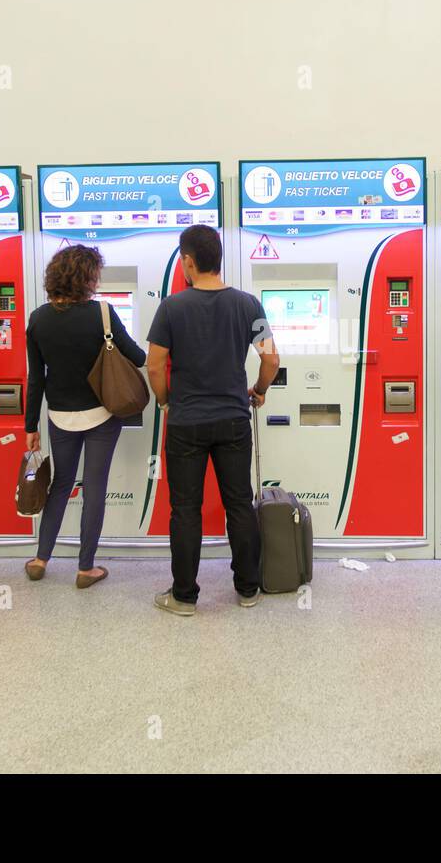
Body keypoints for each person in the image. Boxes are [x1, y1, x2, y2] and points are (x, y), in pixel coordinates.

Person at [145, 225, 280, 615]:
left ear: (188, 262)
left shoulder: (171, 307)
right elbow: (271, 358)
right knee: (238, 503)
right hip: (234, 421)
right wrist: (259, 390)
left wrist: (165, 400)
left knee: (185, 509)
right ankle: (249, 588)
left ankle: (184, 597)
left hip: (186, 423)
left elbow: (155, 366)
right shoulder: (248, 304)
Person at [24, 244, 145, 587]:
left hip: (59, 415)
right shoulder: (102, 313)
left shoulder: (38, 319)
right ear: (88, 277)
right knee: (94, 488)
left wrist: (30, 425)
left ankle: (40, 558)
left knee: (60, 484)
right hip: (102, 414)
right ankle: (85, 567)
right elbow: (136, 357)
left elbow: (37, 378)